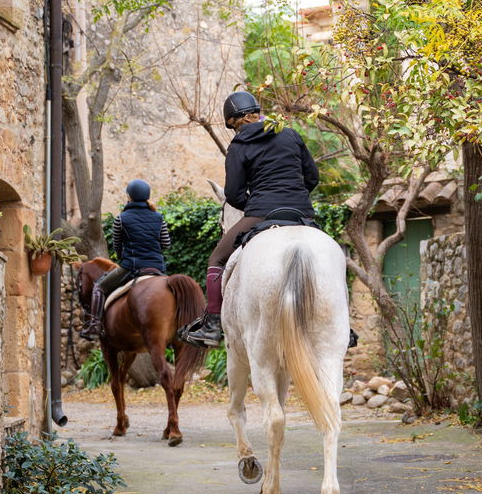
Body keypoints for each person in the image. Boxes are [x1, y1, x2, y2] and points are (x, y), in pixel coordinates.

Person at [182, 91, 319, 347]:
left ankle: (212, 325)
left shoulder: (239, 145)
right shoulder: (290, 134)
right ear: (256, 112)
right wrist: (294, 199)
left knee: (216, 259)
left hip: (261, 212)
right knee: (330, 254)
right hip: (301, 212)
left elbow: (233, 194)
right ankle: (345, 326)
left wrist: (257, 205)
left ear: (234, 121)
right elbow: (312, 177)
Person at [79, 179, 171, 340]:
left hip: (131, 266)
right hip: (157, 267)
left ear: (129, 197)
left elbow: (117, 246)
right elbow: (166, 244)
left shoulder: (121, 219)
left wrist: (123, 258)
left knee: (99, 287)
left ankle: (94, 325)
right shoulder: (159, 218)